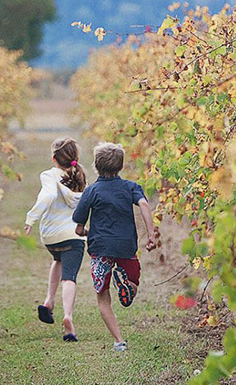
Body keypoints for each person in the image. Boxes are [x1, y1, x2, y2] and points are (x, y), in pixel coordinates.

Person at [73, 141, 158, 352]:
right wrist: (151, 234)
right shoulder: (131, 187)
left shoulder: (91, 191)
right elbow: (144, 205)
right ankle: (126, 285)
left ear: (96, 165)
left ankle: (119, 341)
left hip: (100, 249)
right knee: (133, 285)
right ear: (120, 166)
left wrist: (87, 233)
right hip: (126, 247)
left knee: (103, 298)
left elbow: (78, 228)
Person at [24, 137, 88, 341]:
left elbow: (48, 196)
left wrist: (32, 218)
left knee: (57, 259)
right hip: (73, 236)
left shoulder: (49, 175)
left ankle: (49, 302)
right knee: (69, 277)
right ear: (75, 158)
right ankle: (68, 318)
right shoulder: (80, 178)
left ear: (54, 159)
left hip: (51, 237)